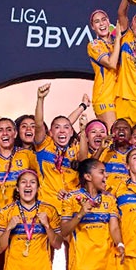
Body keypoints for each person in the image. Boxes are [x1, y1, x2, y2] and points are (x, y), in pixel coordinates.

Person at [60, 159, 124, 270]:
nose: (106, 175)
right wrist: (80, 214)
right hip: (81, 267)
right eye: (101, 172)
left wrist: (120, 244)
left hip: (107, 266)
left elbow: (114, 228)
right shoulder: (71, 198)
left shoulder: (110, 199)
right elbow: (64, 231)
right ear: (88, 176)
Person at [33, 83, 88, 216]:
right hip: (48, 207)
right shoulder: (44, 145)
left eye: (66, 128)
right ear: (51, 133)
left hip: (72, 208)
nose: (62, 131)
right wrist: (40, 99)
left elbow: (84, 161)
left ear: (71, 132)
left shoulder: (75, 148)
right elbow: (39, 124)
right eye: (57, 128)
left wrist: (83, 131)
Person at [0, 118, 39, 208]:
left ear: (15, 134)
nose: (5, 133)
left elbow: (41, 179)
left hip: (19, 212)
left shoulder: (27, 155)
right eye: (0, 130)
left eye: (9, 130)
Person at [85, 11, 121, 128]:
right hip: (104, 99)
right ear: (93, 27)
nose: (101, 24)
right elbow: (111, 63)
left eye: (104, 19)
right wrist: (118, 38)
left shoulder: (116, 44)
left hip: (119, 97)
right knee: (113, 134)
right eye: (97, 22)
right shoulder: (94, 45)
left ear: (109, 22)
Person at [95, 118, 133, 188]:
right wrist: (100, 149)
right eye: (117, 128)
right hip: (107, 193)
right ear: (111, 133)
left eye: (125, 128)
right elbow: (90, 168)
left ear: (131, 134)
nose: (121, 130)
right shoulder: (104, 151)